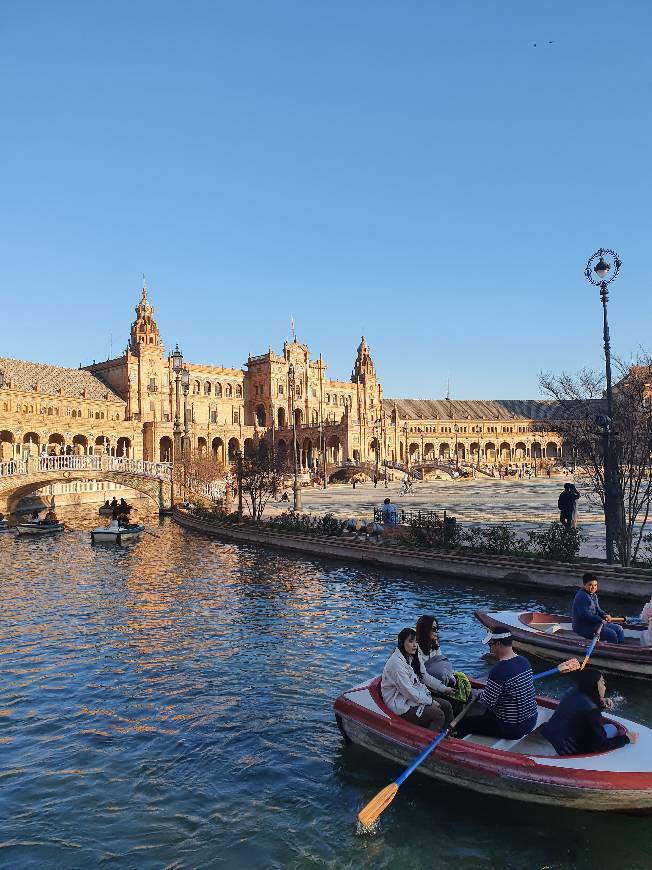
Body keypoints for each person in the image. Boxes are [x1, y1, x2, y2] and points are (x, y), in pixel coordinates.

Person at [456, 631, 538, 740]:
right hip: (531, 720)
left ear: (498, 644)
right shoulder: (524, 661)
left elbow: (486, 702)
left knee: (464, 724)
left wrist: (478, 695)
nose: (490, 649)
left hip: (512, 728)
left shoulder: (499, 670)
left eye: (490, 644)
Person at [542, 668, 637, 755]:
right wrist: (627, 739)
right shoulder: (592, 712)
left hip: (555, 739)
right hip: (571, 751)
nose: (604, 686)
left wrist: (599, 702)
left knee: (608, 729)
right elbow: (601, 746)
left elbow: (581, 711)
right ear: (594, 685)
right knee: (612, 728)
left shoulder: (573, 691)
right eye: (602, 682)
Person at [380, 628, 448, 731]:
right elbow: (408, 691)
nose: (415, 645)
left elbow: (422, 679)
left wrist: (443, 689)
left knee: (446, 705)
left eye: (416, 641)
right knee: (438, 715)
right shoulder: (396, 664)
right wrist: (429, 702)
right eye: (411, 641)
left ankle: (449, 735)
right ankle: (430, 740)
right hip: (400, 704)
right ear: (402, 642)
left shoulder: (411, 657)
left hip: (410, 698)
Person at [416, 615, 471, 716]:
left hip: (436, 680)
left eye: (437, 628)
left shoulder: (434, 644)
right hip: (424, 686)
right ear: (424, 630)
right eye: (434, 629)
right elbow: (423, 676)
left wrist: (451, 678)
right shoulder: (416, 649)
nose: (437, 631)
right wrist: (443, 688)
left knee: (461, 687)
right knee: (453, 703)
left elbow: (441, 664)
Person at [571, 573, 624, 644]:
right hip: (583, 627)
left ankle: (620, 648)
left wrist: (605, 615)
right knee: (612, 634)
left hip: (595, 623)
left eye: (595, 585)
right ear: (584, 585)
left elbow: (598, 610)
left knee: (619, 629)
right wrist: (600, 619)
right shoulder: (581, 597)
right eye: (590, 585)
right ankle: (613, 651)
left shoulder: (593, 595)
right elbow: (584, 615)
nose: (593, 588)